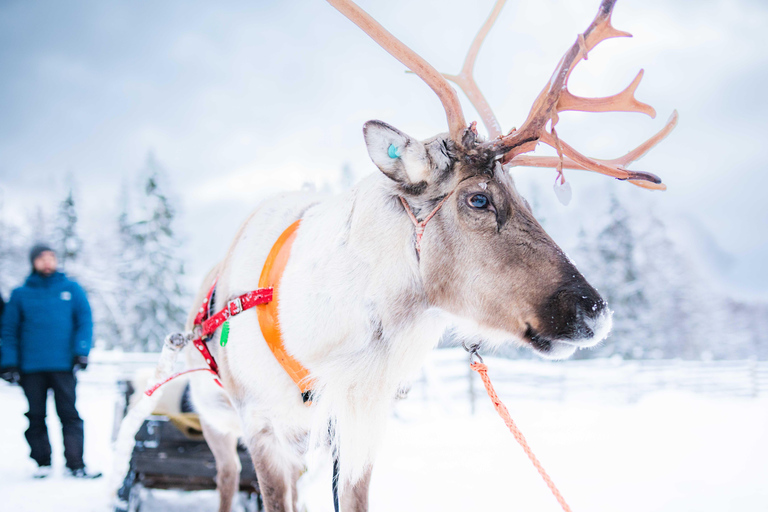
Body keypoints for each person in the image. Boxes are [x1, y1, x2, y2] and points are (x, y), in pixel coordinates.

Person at [0, 244, 101, 479]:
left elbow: (85, 321)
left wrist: (81, 351)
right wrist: (9, 363)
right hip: (30, 367)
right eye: (42, 258)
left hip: (63, 365)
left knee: (69, 415)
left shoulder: (71, 289)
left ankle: (76, 463)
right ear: (33, 262)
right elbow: (9, 330)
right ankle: (42, 462)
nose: (47, 262)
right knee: (36, 416)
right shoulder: (20, 294)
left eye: (51, 257)